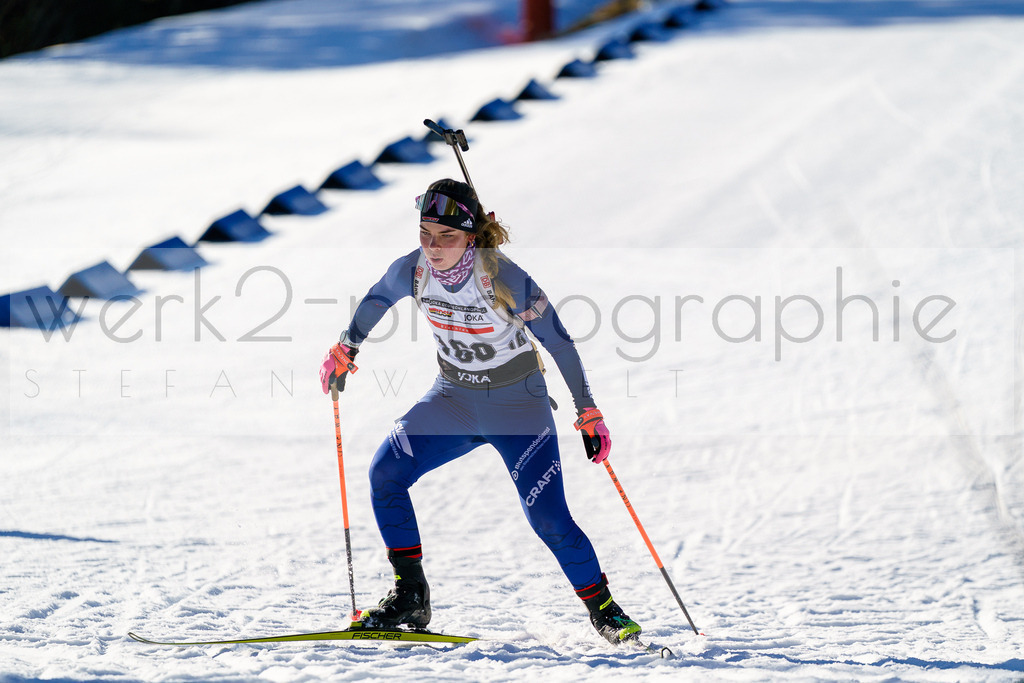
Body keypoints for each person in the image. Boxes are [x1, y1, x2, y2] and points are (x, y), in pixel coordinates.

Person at [319, 178, 641, 645]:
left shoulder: (503, 277)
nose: (433, 247)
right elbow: (375, 301)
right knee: (385, 473)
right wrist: (345, 348)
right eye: (426, 233)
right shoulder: (412, 271)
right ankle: (411, 596)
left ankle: (605, 611)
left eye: (446, 236)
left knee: (549, 520)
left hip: (518, 407)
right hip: (451, 399)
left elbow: (561, 344)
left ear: (471, 235)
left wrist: (588, 412)